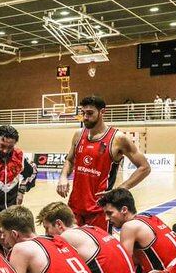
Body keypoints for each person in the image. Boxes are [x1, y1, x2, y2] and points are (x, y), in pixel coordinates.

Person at [57, 95, 150, 232]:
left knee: (98, 250)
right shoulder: (78, 135)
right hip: (75, 207)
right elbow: (70, 160)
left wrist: (122, 188)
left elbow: (145, 167)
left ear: (102, 112)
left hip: (100, 210)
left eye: (90, 113)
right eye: (83, 113)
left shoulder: (118, 138)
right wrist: (63, 177)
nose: (85, 117)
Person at [37, 202, 138, 273]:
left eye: (47, 228)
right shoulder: (95, 229)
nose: (47, 234)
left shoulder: (66, 236)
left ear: (59, 224)